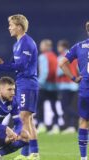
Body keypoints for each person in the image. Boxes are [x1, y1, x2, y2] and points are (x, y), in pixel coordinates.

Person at [0, 14, 39, 160]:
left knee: (25, 117)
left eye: (11, 25)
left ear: (19, 27)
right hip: (22, 82)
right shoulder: (17, 44)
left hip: (28, 83)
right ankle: (27, 154)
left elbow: (21, 65)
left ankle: (34, 153)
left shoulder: (26, 42)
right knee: (27, 119)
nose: (9, 28)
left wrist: (1, 65)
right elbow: (12, 66)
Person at [59, 21, 89, 160]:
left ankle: (83, 158)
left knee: (84, 121)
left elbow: (62, 63)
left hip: (85, 89)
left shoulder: (79, 46)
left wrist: (73, 78)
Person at [37, 39, 60, 134]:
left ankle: (41, 125)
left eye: (41, 45)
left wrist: (38, 83)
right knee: (54, 106)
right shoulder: (55, 56)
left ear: (46, 47)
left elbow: (45, 72)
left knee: (39, 105)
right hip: (54, 86)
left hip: (44, 86)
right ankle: (56, 126)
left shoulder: (43, 57)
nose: (40, 47)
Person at [57, 39, 78, 134]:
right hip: (74, 86)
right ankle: (71, 126)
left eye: (59, 46)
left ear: (62, 47)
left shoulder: (62, 57)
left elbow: (60, 71)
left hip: (65, 85)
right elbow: (78, 68)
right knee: (71, 106)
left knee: (64, 107)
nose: (58, 48)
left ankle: (80, 116)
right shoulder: (74, 56)